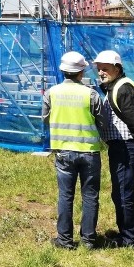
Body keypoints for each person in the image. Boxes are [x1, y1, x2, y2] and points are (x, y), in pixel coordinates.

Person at [42, 51, 106, 250]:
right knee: (90, 196)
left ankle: (65, 240)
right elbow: (102, 121)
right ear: (81, 72)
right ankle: (88, 241)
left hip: (63, 153)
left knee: (65, 196)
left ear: (63, 71)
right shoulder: (92, 94)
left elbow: (45, 118)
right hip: (89, 152)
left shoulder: (51, 93)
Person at [95, 49, 134, 248]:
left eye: (105, 69)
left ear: (117, 68)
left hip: (126, 147)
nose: (101, 72)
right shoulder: (115, 86)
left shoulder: (124, 88)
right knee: (130, 191)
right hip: (122, 146)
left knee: (122, 193)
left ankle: (129, 239)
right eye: (99, 69)